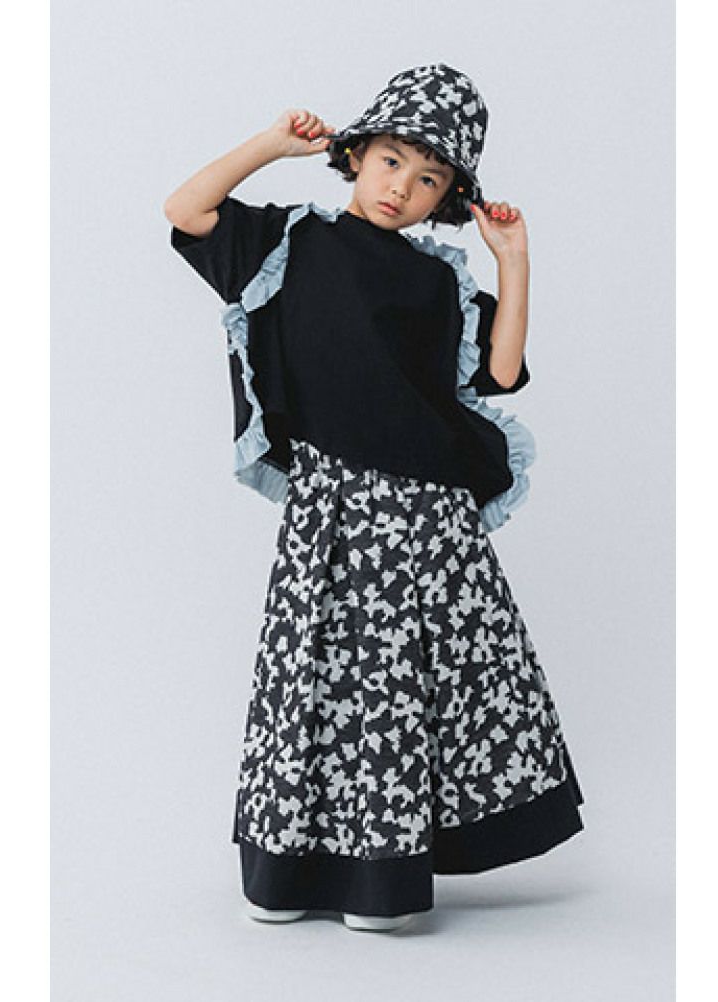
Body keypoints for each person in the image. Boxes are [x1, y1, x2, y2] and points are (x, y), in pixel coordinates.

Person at [164, 63, 584, 934]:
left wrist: (513, 261)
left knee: (396, 690)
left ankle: (381, 881)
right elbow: (187, 210)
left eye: (428, 178)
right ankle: (288, 873)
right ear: (355, 156)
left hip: (425, 519)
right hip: (330, 509)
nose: (402, 187)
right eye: (391, 161)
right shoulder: (290, 243)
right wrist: (273, 143)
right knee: (309, 678)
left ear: (447, 197)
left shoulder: (435, 281)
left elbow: (501, 370)